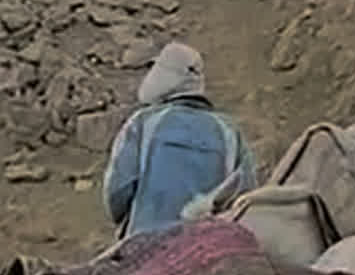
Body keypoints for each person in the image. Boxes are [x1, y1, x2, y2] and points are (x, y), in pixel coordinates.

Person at [103, 43, 255, 243]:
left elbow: (117, 192)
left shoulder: (143, 123)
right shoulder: (230, 132)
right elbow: (245, 198)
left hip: (144, 249)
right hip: (209, 253)